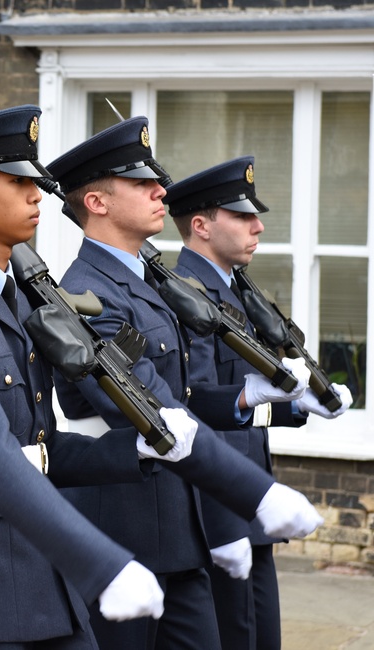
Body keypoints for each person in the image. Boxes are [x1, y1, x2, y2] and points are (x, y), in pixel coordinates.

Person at [0, 104, 224, 649]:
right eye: (18, 182)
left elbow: (39, 447)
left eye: (35, 182)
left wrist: (134, 448)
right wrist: (102, 562)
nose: (36, 196)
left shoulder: (23, 301)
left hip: (41, 568)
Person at [47, 116, 325, 650]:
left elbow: (187, 399)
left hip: (179, 531)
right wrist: (251, 497)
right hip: (125, 532)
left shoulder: (147, 285)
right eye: (141, 183)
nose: (161, 191)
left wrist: (253, 397)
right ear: (97, 203)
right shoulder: (86, 295)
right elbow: (152, 411)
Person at [166, 156, 352, 650]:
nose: (258, 226)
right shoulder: (186, 296)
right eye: (242, 216)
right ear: (201, 226)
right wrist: (224, 522)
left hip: (252, 505)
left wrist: (298, 406)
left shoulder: (235, 290)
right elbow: (191, 412)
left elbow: (241, 406)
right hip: (221, 510)